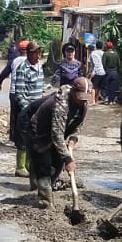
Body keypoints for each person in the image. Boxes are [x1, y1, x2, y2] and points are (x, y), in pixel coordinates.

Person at [25, 77, 92, 207]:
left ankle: (42, 185)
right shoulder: (61, 104)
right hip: (40, 133)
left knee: (57, 166)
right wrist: (68, 159)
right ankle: (45, 202)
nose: (82, 101)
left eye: (85, 98)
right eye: (80, 97)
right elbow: (57, 134)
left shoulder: (83, 103)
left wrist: (73, 138)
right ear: (73, 92)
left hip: (58, 134)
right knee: (44, 167)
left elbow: (78, 125)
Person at [10, 42, 46, 176]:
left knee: (34, 138)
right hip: (25, 110)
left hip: (37, 110)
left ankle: (29, 165)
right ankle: (20, 167)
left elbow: (41, 86)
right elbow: (19, 94)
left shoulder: (39, 67)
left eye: (39, 53)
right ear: (30, 53)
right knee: (23, 138)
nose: (38, 56)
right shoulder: (22, 69)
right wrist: (28, 109)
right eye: (36, 53)